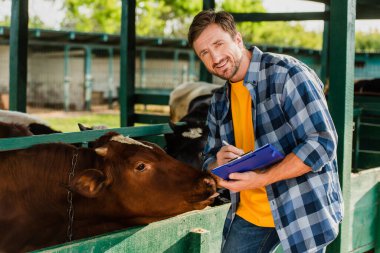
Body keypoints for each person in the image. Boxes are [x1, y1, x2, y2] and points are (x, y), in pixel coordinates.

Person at [188, 10, 343, 253]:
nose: (215, 58)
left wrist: (262, 178)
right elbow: (208, 157)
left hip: (300, 206)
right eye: (204, 53)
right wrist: (215, 163)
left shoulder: (287, 73)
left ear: (238, 39)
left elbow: (322, 143)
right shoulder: (219, 101)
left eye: (218, 44)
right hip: (250, 214)